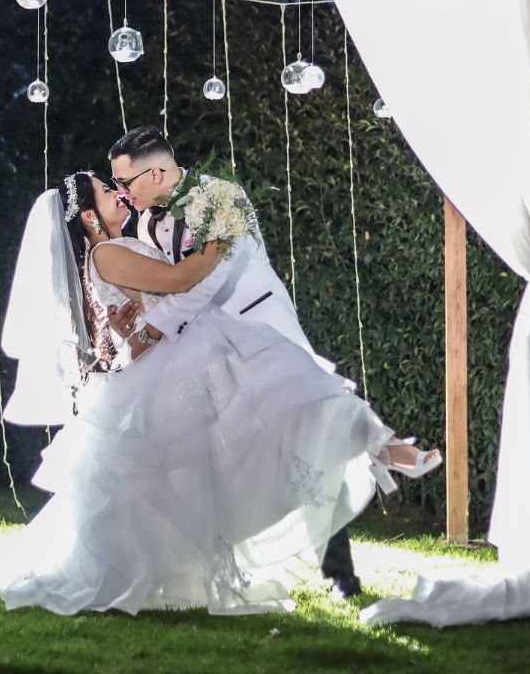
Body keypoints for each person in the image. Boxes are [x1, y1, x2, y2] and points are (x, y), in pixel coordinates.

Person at [0, 172, 440, 615]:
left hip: (195, 345)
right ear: (88, 216)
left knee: (283, 396)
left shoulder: (120, 244)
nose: (118, 193)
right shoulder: (107, 251)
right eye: (106, 191)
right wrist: (224, 237)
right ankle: (379, 450)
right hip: (187, 356)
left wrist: (136, 321)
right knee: (278, 399)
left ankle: (381, 447)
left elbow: (142, 313)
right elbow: (178, 280)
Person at [110, 126, 363, 599]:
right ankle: (219, 569)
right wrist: (137, 321)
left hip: (265, 333)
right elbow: (165, 289)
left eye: (126, 183)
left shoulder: (223, 196)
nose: (123, 194)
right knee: (212, 455)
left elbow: (208, 282)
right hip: (204, 351)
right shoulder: (145, 226)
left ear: (156, 172)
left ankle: (340, 572)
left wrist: (154, 328)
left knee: (304, 445)